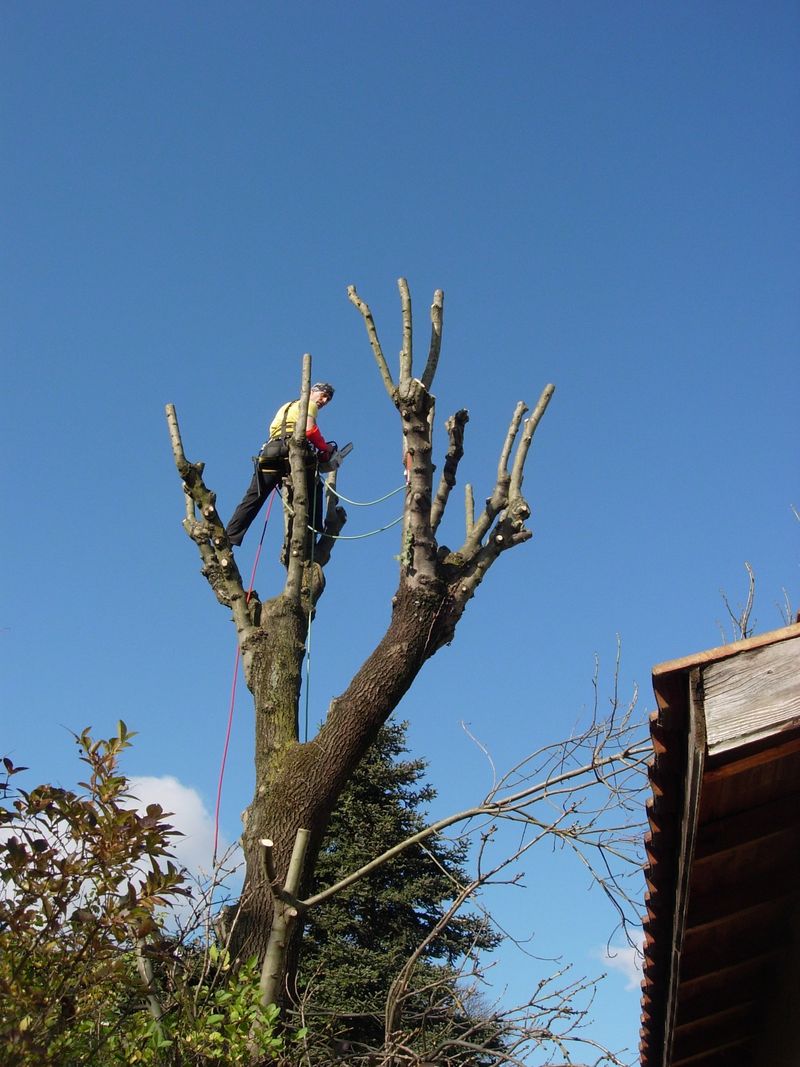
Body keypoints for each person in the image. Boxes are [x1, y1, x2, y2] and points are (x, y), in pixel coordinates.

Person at [226, 382, 336, 547]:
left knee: (254, 497)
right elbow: (309, 429)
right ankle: (312, 536)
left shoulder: (287, 406)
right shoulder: (309, 405)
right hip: (293, 451)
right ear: (312, 391)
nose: (324, 400)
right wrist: (325, 448)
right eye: (323, 395)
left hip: (271, 451)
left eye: (327, 399)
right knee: (315, 486)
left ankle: (230, 536)